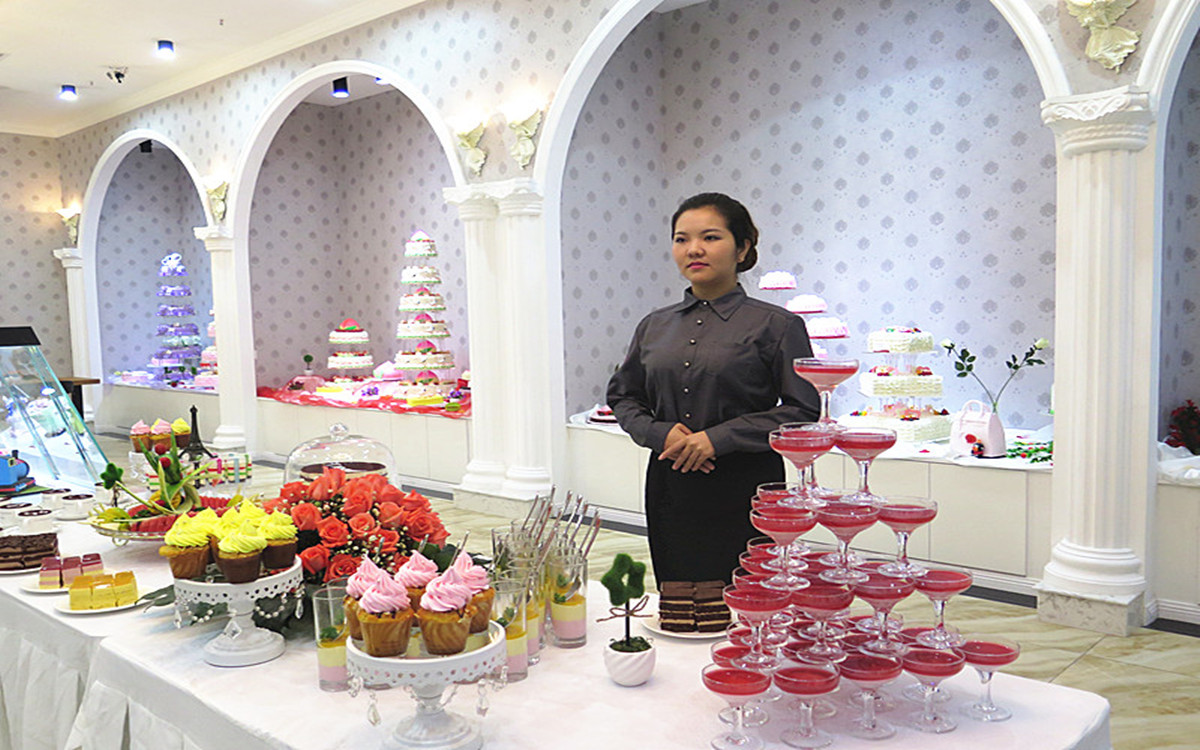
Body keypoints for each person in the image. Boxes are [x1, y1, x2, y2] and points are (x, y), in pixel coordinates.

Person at [606, 192, 821, 585]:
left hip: (747, 483)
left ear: (743, 248)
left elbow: (803, 409)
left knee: (748, 595)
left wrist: (717, 438)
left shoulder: (778, 325)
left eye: (710, 237)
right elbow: (623, 396)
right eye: (681, 239)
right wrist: (659, 432)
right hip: (670, 481)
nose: (694, 249)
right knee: (678, 596)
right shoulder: (654, 325)